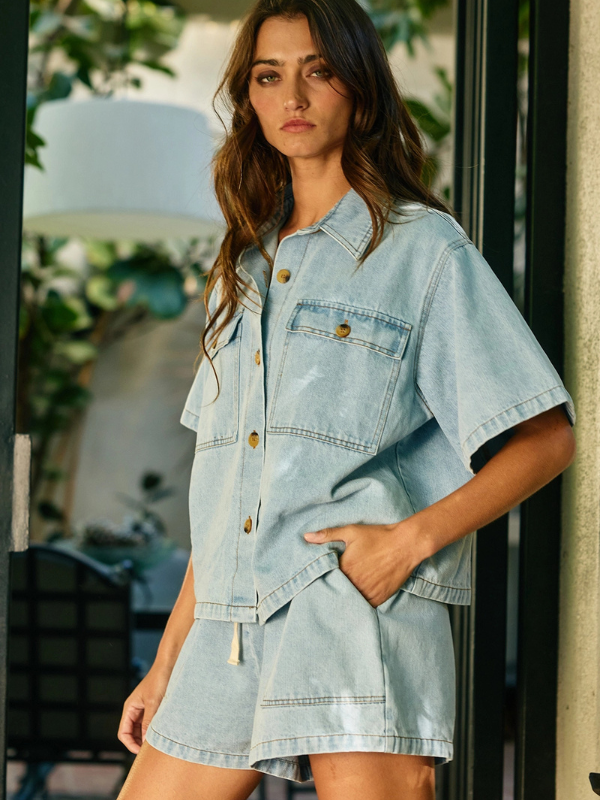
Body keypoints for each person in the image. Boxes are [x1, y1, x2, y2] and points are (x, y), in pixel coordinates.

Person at [115, 0, 577, 797]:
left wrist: (408, 542)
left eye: (317, 71)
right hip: (225, 635)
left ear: (357, 91)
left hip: (349, 618)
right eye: (270, 76)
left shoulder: (422, 249)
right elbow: (230, 491)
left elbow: (546, 439)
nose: (292, 97)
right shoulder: (241, 268)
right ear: (250, 100)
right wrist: (167, 664)